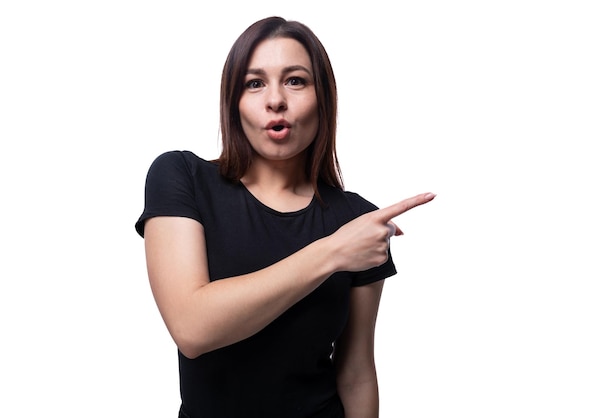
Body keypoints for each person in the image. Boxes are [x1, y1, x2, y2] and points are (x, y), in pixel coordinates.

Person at [135, 16, 435, 418]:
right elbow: (192, 328)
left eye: (295, 80)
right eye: (254, 83)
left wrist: (347, 245)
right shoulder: (181, 177)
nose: (275, 99)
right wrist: (333, 252)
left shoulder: (357, 219)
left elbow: (357, 372)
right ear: (233, 102)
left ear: (322, 97)